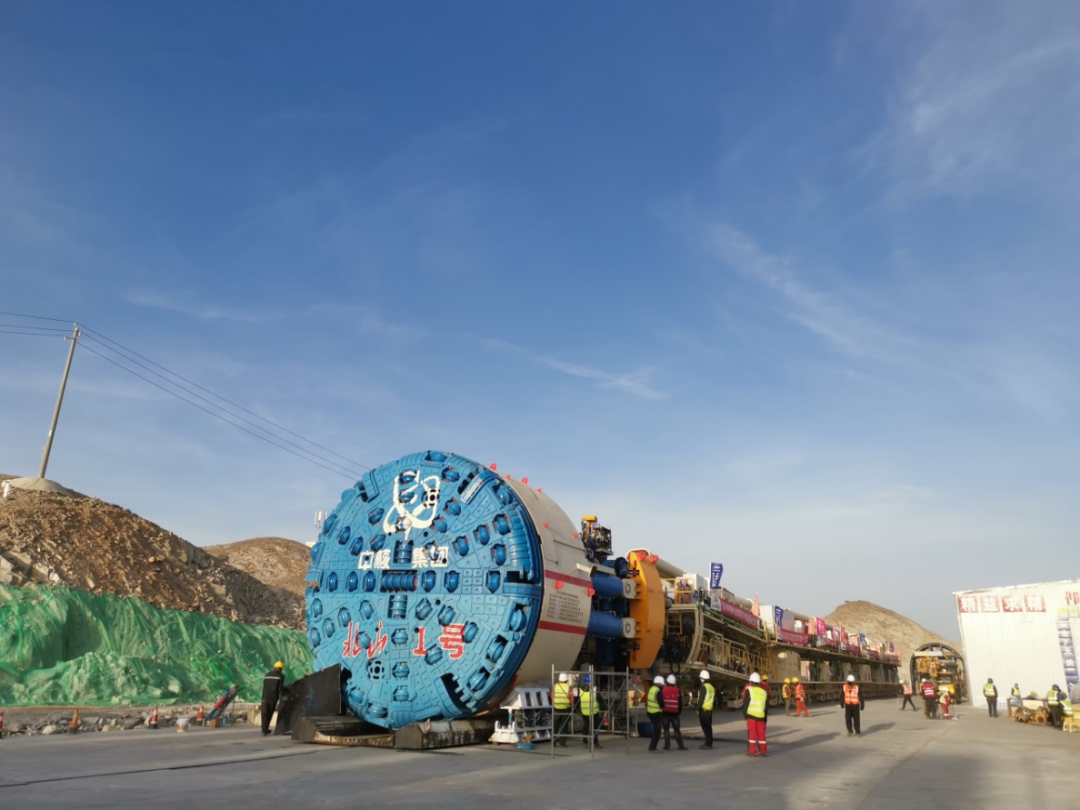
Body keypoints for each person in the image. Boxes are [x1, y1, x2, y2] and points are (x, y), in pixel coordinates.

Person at [743, 672, 769, 756]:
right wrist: (765, 719)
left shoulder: (749, 690)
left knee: (752, 734)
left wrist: (745, 717)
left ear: (751, 682)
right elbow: (766, 707)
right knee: (762, 735)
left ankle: (752, 752)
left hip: (751, 717)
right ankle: (763, 752)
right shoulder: (764, 692)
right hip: (761, 717)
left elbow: (745, 705)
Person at [661, 674, 687, 750]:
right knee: (677, 730)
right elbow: (680, 703)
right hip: (675, 714)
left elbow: (661, 701)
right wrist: (678, 712)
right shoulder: (677, 690)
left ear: (667, 682)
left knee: (666, 730)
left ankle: (667, 746)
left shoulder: (663, 690)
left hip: (665, 713)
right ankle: (681, 746)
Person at [578, 675, 604, 748]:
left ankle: (584, 742)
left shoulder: (580, 689)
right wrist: (603, 707)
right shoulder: (594, 689)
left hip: (584, 712)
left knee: (585, 728)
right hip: (594, 712)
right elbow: (600, 699)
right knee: (594, 728)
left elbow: (578, 701)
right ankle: (595, 743)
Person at [261, 661, 285, 736]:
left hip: (264, 697)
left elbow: (265, 685)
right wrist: (284, 695)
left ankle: (264, 729)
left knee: (264, 714)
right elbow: (280, 688)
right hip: (273, 698)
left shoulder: (267, 675)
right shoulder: (281, 676)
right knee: (269, 713)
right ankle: (265, 729)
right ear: (281, 668)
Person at [696, 670, 717, 749]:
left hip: (704, 710)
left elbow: (701, 699)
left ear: (702, 678)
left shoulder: (703, 687)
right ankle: (710, 742)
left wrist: (697, 709)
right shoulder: (711, 687)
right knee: (709, 727)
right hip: (709, 709)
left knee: (705, 727)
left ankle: (708, 743)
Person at [552, 672, 574, 746]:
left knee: (555, 725)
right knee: (564, 726)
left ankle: (553, 742)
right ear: (566, 680)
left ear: (559, 679)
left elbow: (552, 696)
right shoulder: (569, 687)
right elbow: (572, 699)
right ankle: (562, 743)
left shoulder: (555, 686)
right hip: (566, 709)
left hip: (556, 708)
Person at [646, 675, 665, 753]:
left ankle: (652, 746)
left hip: (650, 712)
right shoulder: (658, 691)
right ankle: (652, 747)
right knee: (657, 730)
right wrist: (663, 706)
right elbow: (661, 703)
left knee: (656, 729)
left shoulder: (651, 689)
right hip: (656, 713)